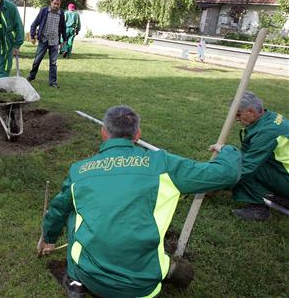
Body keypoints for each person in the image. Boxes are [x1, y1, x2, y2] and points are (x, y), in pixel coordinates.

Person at [37, 105, 241, 298]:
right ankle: (171, 270)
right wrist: (228, 151)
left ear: (104, 133)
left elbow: (57, 211)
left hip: (91, 277)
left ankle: (75, 283)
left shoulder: (79, 170)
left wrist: (49, 236)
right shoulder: (163, 164)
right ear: (138, 134)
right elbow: (228, 173)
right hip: (142, 286)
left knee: (72, 210)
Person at [212, 91, 289, 221]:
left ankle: (259, 208)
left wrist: (214, 185)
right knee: (245, 158)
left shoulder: (267, 132)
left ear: (251, 112)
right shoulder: (271, 118)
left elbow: (246, 167)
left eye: (238, 114)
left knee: (241, 164)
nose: (236, 119)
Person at [27, 0, 67, 88]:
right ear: (51, 2)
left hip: (55, 41)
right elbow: (34, 24)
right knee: (37, 60)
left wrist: (64, 40)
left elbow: (63, 27)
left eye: (58, 4)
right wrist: (32, 36)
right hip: (43, 40)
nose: (56, 6)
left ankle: (53, 82)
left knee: (53, 63)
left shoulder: (61, 13)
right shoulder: (44, 11)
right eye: (55, 3)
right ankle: (31, 76)